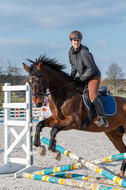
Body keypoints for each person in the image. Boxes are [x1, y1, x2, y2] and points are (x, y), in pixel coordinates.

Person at [68, 30, 109, 127]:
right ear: (71, 41)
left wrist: (81, 79)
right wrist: (70, 79)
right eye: (74, 40)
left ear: (80, 41)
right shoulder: (70, 53)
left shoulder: (84, 53)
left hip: (93, 76)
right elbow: (73, 68)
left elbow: (91, 69)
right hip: (84, 76)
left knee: (92, 96)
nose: (76, 42)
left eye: (78, 40)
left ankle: (103, 119)